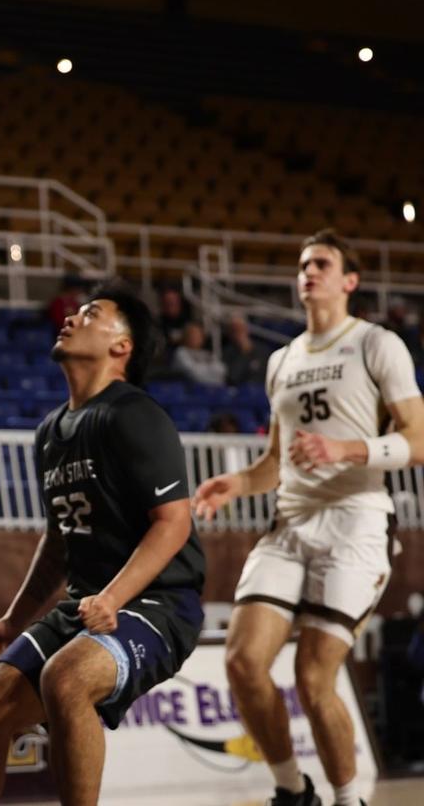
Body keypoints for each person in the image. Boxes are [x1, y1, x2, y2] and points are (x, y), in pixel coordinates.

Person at [0, 286, 206, 806]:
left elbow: (174, 523)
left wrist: (112, 597)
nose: (72, 317)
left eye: (91, 314)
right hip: (85, 605)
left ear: (122, 346)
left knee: (66, 680)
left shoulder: (134, 413)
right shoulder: (50, 432)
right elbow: (58, 539)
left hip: (158, 604)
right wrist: (16, 617)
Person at [195, 230, 424, 806]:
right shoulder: (281, 360)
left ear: (350, 280)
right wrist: (236, 483)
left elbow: (419, 440)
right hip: (291, 524)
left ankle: (350, 800)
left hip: (356, 520)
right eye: (303, 265)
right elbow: (277, 462)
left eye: (321, 263)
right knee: (243, 662)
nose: (308, 272)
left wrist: (344, 449)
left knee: (314, 676)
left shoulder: (376, 344)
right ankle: (293, 791)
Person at [224, 313, 271, 387]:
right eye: (235, 330)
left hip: (262, 389)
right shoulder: (227, 353)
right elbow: (233, 378)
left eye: (241, 328)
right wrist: (244, 353)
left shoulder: (263, 350)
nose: (239, 333)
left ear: (246, 329)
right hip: (240, 390)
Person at [173, 322, 227, 386]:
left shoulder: (207, 353)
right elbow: (193, 374)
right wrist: (210, 369)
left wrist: (200, 368)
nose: (195, 338)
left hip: (211, 389)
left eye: (198, 335)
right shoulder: (180, 352)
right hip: (188, 389)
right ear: (185, 336)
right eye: (192, 335)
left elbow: (222, 371)